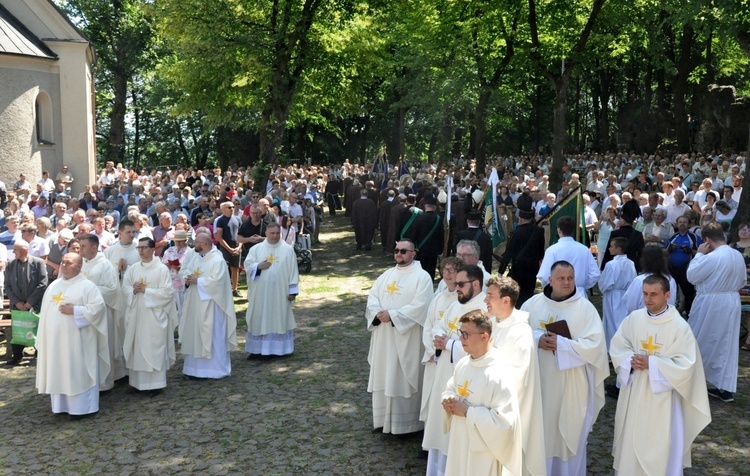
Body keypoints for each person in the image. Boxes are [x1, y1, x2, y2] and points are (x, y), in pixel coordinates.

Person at [610, 275, 712, 475]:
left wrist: (653, 364)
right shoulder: (634, 319)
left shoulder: (679, 326)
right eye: (645, 294)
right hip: (635, 391)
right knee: (632, 437)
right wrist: (630, 359)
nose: (648, 299)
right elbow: (618, 347)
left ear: (667, 295)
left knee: (661, 443)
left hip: (664, 398)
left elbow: (687, 365)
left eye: (654, 294)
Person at [522, 260, 609, 475]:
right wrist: (537, 339)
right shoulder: (532, 305)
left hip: (570, 385)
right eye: (561, 278)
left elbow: (595, 347)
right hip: (538, 383)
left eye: (570, 278)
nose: (566, 282)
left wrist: (562, 345)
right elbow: (516, 335)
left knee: (567, 435)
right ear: (549, 280)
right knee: (538, 434)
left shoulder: (585, 309)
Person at [441, 310, 522, 476]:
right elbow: (451, 388)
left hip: (484, 452)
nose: (461, 338)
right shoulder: (463, 364)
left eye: (466, 334)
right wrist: (448, 398)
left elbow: (505, 423)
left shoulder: (499, 373)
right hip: (460, 441)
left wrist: (468, 411)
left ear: (484, 336)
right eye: (460, 333)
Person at [422, 264, 486, 473]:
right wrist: (440, 340)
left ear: (475, 284)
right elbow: (438, 326)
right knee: (440, 433)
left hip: (465, 381)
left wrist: (449, 344)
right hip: (444, 375)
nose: (455, 287)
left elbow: (481, 348)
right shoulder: (456, 305)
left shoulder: (484, 310)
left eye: (460, 284)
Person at [366, 239, 433, 435]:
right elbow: (373, 298)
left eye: (404, 251)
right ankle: (381, 421)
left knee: (402, 377)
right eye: (396, 250)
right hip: (384, 336)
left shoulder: (423, 277)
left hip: (406, 337)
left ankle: (407, 426)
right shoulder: (386, 275)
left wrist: (393, 315)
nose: (399, 254)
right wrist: (377, 313)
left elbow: (421, 306)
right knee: (384, 373)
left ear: (414, 253)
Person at [483, 276, 546, 476]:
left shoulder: (521, 331)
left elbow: (517, 374)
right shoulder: (492, 324)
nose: (485, 300)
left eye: (490, 296)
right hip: (488, 405)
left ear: (506, 300)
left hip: (508, 408)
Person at [35, 253, 108, 419]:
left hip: (77, 341)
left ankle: (82, 408)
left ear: (79, 266)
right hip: (55, 342)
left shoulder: (88, 286)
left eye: (69, 263)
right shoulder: (53, 286)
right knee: (59, 370)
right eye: (63, 262)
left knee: (77, 371)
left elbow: (98, 309)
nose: (64, 265)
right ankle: (61, 407)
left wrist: (76, 310)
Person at [687, 221, 746, 402]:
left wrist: (698, 255)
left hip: (711, 302)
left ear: (707, 240)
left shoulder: (711, 257)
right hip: (731, 300)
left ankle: (693, 381)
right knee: (726, 344)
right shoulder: (736, 254)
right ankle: (724, 387)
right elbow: (743, 280)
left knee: (701, 338)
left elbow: (692, 276)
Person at [122, 238, 177, 395]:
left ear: (153, 249)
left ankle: (155, 384)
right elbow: (124, 288)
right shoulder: (133, 269)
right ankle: (136, 383)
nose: (140, 251)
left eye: (144, 248)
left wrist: (147, 291)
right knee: (136, 346)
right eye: (139, 248)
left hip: (154, 315)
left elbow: (168, 293)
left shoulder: (161, 269)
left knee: (152, 347)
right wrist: (132, 290)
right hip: (136, 314)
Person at [420, 257, 460, 467]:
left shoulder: (462, 301)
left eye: (453, 270)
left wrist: (445, 351)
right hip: (435, 358)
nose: (448, 274)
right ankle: (431, 442)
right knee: (432, 402)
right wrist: (433, 350)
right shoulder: (437, 299)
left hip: (452, 362)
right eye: (445, 269)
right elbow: (429, 326)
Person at [179, 233, 237, 379]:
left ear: (204, 244)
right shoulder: (195, 257)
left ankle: (215, 370)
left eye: (196, 242)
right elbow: (185, 270)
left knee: (213, 335)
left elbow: (218, 283)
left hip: (212, 306)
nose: (194, 245)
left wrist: (198, 281)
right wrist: (187, 277)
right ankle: (194, 369)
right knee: (195, 333)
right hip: (195, 303)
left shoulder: (217, 260)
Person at [243, 222, 299, 358]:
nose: (274, 236)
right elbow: (248, 265)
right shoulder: (256, 249)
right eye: (272, 233)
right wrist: (258, 266)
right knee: (259, 318)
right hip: (260, 293)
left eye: (277, 233)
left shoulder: (287, 249)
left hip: (280, 293)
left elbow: (293, 271)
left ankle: (279, 349)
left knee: (278, 318)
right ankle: (257, 350)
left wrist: (293, 291)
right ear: (266, 233)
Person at [78, 234, 123, 392]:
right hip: (82, 315)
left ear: (94, 247)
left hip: (101, 314)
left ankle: (104, 383)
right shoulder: (79, 264)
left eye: (83, 246)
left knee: (102, 347)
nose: (80, 249)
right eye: (80, 246)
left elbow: (112, 291)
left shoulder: (106, 265)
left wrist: (88, 293)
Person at [4, 241, 48, 365]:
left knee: (36, 329)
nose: (13, 252)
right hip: (17, 305)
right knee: (18, 329)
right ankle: (17, 356)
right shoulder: (10, 264)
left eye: (15, 250)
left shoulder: (38, 263)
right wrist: (17, 302)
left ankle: (38, 354)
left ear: (24, 251)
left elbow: (42, 284)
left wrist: (29, 303)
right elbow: (7, 286)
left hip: (34, 304)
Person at [537, 215, 600, 296]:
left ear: (559, 230)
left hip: (558, 293)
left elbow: (545, 276)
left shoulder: (552, 250)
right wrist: (582, 285)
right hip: (579, 293)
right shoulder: (583, 249)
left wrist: (554, 287)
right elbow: (595, 274)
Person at [497, 203, 545, 306]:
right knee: (528, 293)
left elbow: (508, 253)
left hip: (518, 268)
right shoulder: (539, 231)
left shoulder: (516, 233)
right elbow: (541, 253)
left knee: (516, 294)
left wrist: (501, 271)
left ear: (521, 219)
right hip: (533, 268)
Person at [598, 237, 637, 350]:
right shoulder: (631, 263)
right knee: (621, 319)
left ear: (618, 249)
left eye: (612, 246)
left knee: (612, 321)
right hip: (626, 294)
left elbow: (605, 283)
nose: (609, 248)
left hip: (613, 295)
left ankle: (614, 348)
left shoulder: (611, 264)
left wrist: (603, 289)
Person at [623, 245, 678, 315]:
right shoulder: (670, 279)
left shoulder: (640, 280)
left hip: (643, 320)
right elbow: (672, 301)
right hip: (664, 319)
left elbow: (631, 305)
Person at [665, 215, 701, 315]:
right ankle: (669, 313)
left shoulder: (693, 237)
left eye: (684, 222)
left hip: (687, 269)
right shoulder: (673, 237)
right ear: (676, 224)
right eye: (680, 222)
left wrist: (690, 251)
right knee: (670, 292)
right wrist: (670, 249)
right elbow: (665, 252)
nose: (682, 224)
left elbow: (701, 253)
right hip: (672, 269)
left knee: (688, 293)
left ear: (689, 224)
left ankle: (690, 314)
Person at [409, 195, 444, 279]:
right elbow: (441, 236)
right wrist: (440, 251)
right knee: (431, 271)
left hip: (420, 250)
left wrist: (412, 248)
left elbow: (414, 234)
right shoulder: (439, 219)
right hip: (433, 251)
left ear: (425, 207)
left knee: (420, 271)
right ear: (435, 208)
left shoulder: (418, 218)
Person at [161, 229, 190, 324]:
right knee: (168, 307)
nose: (177, 243)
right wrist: (167, 265)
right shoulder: (169, 250)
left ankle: (183, 328)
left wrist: (180, 268)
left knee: (182, 307)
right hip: (169, 282)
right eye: (176, 240)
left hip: (182, 283)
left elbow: (192, 267)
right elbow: (162, 264)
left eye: (180, 240)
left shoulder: (190, 252)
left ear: (185, 240)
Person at [215, 201, 242, 297]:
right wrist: (229, 249)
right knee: (224, 269)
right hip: (225, 248)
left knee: (235, 268)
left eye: (233, 207)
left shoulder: (238, 219)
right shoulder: (220, 220)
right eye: (229, 207)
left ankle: (234, 289)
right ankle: (224, 289)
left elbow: (241, 235)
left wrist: (239, 247)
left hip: (236, 247)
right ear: (223, 209)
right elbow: (219, 237)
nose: (232, 209)